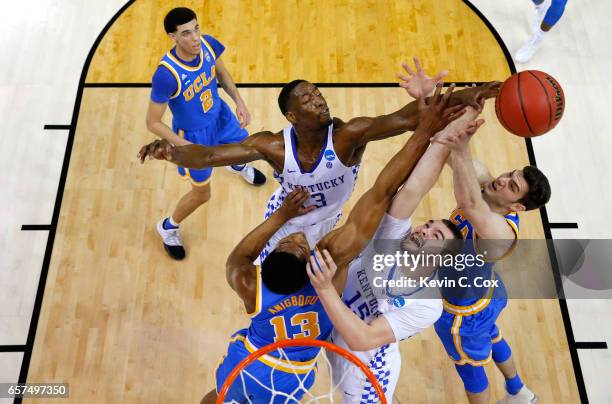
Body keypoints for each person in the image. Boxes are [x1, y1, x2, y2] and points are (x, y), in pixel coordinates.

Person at [202, 84, 465, 403]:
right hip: (300, 373)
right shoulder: (329, 270)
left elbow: (239, 258)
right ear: (309, 263)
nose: (300, 237)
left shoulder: (251, 287)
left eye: (290, 242)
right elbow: (384, 190)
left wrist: (281, 217)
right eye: (300, 246)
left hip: (284, 361)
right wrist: (428, 133)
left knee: (219, 396)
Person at [140, 57, 500, 261]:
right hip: (282, 220)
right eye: (308, 100)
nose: (319, 100)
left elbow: (409, 118)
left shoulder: (347, 135)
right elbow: (209, 156)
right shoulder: (273, 147)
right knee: (273, 286)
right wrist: (169, 152)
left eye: (318, 93)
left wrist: (481, 91)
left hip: (330, 222)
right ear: (292, 117)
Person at [306, 107, 484, 403]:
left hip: (364, 369)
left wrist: (324, 288)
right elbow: (415, 187)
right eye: (428, 226)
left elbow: (362, 338)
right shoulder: (395, 238)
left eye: (435, 237)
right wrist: (444, 138)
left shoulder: (428, 306)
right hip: (329, 329)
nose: (424, 232)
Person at [431, 123, 552, 404]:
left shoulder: (501, 234)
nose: (502, 180)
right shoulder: (485, 183)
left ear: (518, 207)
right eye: (510, 174)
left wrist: (461, 148)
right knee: (494, 335)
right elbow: (447, 151)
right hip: (489, 293)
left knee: (471, 372)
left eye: (513, 186)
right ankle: (518, 390)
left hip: (463, 313)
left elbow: (470, 205)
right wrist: (433, 112)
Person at [146, 7, 266, 260]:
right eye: (186, 33)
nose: (195, 38)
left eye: (196, 28)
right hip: (193, 136)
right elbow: (153, 122)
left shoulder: (208, 46)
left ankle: (236, 166)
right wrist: (186, 147)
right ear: (173, 37)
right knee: (202, 194)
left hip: (220, 116)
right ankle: (168, 227)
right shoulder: (166, 75)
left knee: (247, 148)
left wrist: (239, 101)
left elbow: (221, 73)